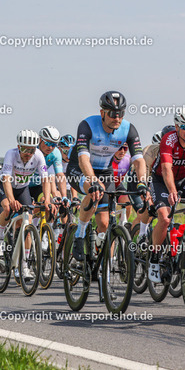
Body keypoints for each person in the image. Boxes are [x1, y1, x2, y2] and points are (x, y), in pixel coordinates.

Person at [65, 91, 149, 261]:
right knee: (94, 191)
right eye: (112, 114)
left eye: (120, 114)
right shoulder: (87, 125)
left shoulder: (128, 129)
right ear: (102, 112)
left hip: (105, 171)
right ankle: (79, 235)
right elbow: (83, 159)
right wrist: (92, 180)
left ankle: (105, 263)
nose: (117, 118)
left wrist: (142, 183)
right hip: (80, 168)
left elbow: (139, 161)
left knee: (105, 223)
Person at [147, 108, 185, 283]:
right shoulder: (169, 139)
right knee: (165, 219)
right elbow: (166, 169)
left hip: (183, 178)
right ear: (177, 127)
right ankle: (154, 257)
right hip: (161, 180)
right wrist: (172, 191)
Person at [0, 129, 50, 281]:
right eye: (25, 149)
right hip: (5, 185)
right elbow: (6, 179)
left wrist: (47, 199)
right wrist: (11, 199)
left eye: (32, 150)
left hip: (22, 188)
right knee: (7, 208)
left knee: (27, 224)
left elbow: (45, 179)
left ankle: (24, 266)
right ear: (19, 147)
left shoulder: (38, 156)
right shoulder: (11, 154)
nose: (28, 153)